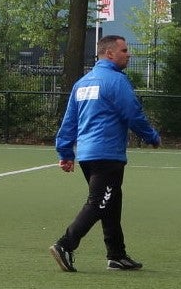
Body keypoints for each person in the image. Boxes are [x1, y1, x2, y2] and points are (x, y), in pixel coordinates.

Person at [50, 34, 160, 272]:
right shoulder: (116, 81)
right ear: (109, 53)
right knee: (99, 202)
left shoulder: (82, 83)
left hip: (87, 155)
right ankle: (65, 245)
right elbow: (132, 113)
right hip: (107, 154)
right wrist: (151, 136)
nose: (128, 54)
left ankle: (117, 255)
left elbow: (69, 121)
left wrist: (65, 152)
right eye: (124, 50)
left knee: (111, 202)